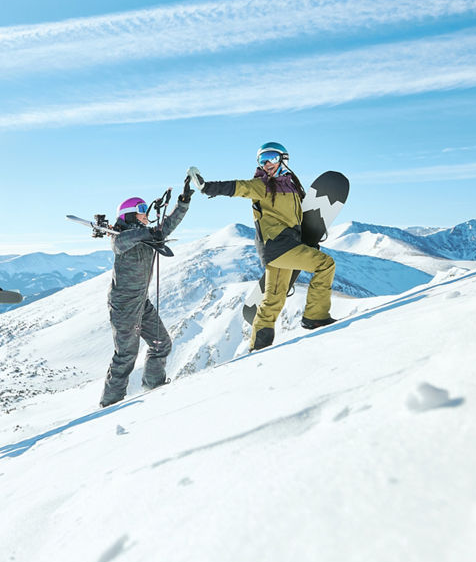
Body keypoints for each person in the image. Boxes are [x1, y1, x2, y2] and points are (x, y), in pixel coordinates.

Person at [196, 141, 336, 351]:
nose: (266, 163)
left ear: (283, 159)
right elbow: (236, 187)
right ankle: (315, 317)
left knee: (273, 299)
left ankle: (258, 347)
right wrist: (206, 187)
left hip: (284, 246)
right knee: (325, 264)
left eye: (270, 157)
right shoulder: (261, 186)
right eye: (262, 160)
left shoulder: (292, 185)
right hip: (278, 245)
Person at [100, 176, 193, 407]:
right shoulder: (120, 238)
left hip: (142, 302)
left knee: (161, 343)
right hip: (123, 306)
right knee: (125, 356)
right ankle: (109, 405)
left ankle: (154, 388)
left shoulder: (147, 235)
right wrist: (149, 233)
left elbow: (166, 226)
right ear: (129, 214)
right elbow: (122, 242)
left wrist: (183, 202)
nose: (145, 213)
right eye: (141, 210)